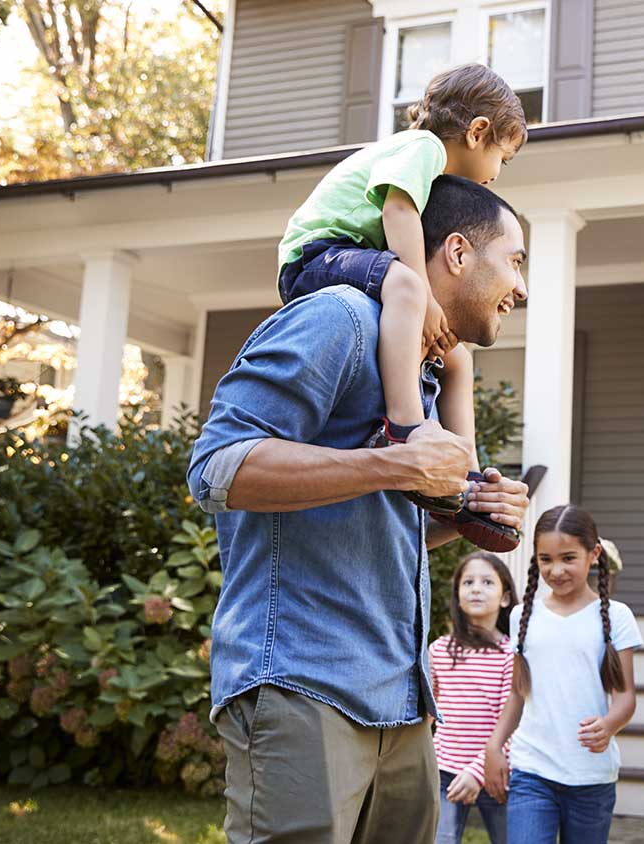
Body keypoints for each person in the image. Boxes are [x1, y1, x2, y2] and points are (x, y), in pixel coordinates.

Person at [188, 174, 531, 844]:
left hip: (401, 703)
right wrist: (394, 464)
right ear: (457, 253)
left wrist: (465, 513)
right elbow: (216, 468)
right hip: (303, 684)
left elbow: (385, 517)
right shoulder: (339, 319)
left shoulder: (424, 375)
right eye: (515, 262)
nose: (520, 288)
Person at [276, 63, 527, 551]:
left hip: (344, 256)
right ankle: (406, 427)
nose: (497, 174)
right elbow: (397, 212)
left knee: (457, 356)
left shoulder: (426, 166)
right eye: (503, 157)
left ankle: (467, 481)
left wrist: (464, 503)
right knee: (406, 287)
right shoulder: (422, 148)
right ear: (478, 133)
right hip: (316, 252)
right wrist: (423, 292)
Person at [482, 505, 642, 844]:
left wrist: (610, 724)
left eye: (568, 558)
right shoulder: (522, 615)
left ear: (593, 554)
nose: (556, 570)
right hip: (531, 770)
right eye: (546, 559)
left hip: (590, 776)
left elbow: (625, 697)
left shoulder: (617, 616)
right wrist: (494, 746)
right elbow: (517, 693)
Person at [430, 552, 517, 844]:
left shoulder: (511, 655)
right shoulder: (439, 650)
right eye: (468, 582)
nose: (476, 588)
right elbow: (430, 712)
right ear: (457, 595)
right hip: (445, 771)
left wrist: (477, 772)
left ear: (505, 597)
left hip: (496, 770)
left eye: (487, 582)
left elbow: (511, 723)